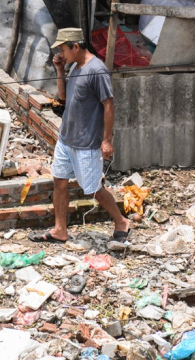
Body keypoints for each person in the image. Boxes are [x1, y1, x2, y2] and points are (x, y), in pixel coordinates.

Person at [29, 28, 130, 244]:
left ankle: (121, 221)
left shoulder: (97, 70)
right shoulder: (75, 66)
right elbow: (64, 97)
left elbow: (109, 105)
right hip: (66, 138)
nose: (61, 54)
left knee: (93, 188)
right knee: (59, 182)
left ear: (76, 46)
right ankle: (60, 230)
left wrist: (106, 139)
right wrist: (60, 69)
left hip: (86, 143)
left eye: (63, 49)